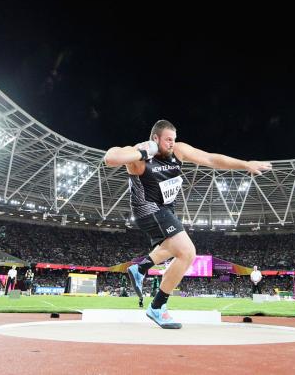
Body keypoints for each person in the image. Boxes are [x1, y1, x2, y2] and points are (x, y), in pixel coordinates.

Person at [104, 119, 271, 329]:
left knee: (177, 251)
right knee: (188, 251)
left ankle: (141, 270)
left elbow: (210, 159)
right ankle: (156, 305)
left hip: (166, 211)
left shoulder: (179, 151)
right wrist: (143, 151)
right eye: (167, 140)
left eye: (174, 139)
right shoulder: (140, 156)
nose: (172, 143)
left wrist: (245, 164)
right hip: (148, 209)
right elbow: (111, 158)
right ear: (155, 138)